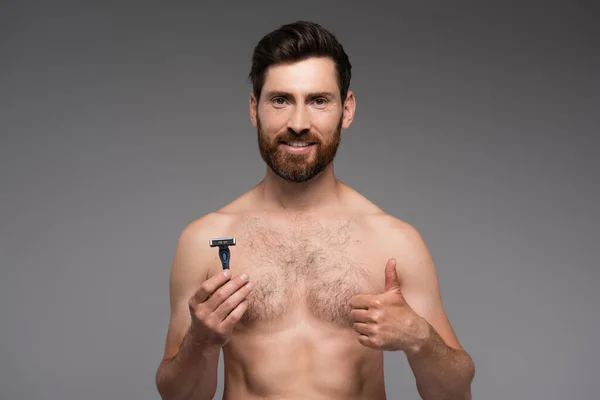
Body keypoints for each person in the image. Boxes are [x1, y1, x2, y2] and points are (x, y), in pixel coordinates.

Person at [155, 20, 475, 400]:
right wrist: (201, 343)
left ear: (347, 109)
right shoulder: (204, 240)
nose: (299, 123)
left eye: (319, 100)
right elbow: (178, 396)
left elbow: (455, 393)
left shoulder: (393, 240)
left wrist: (419, 338)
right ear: (255, 109)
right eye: (281, 100)